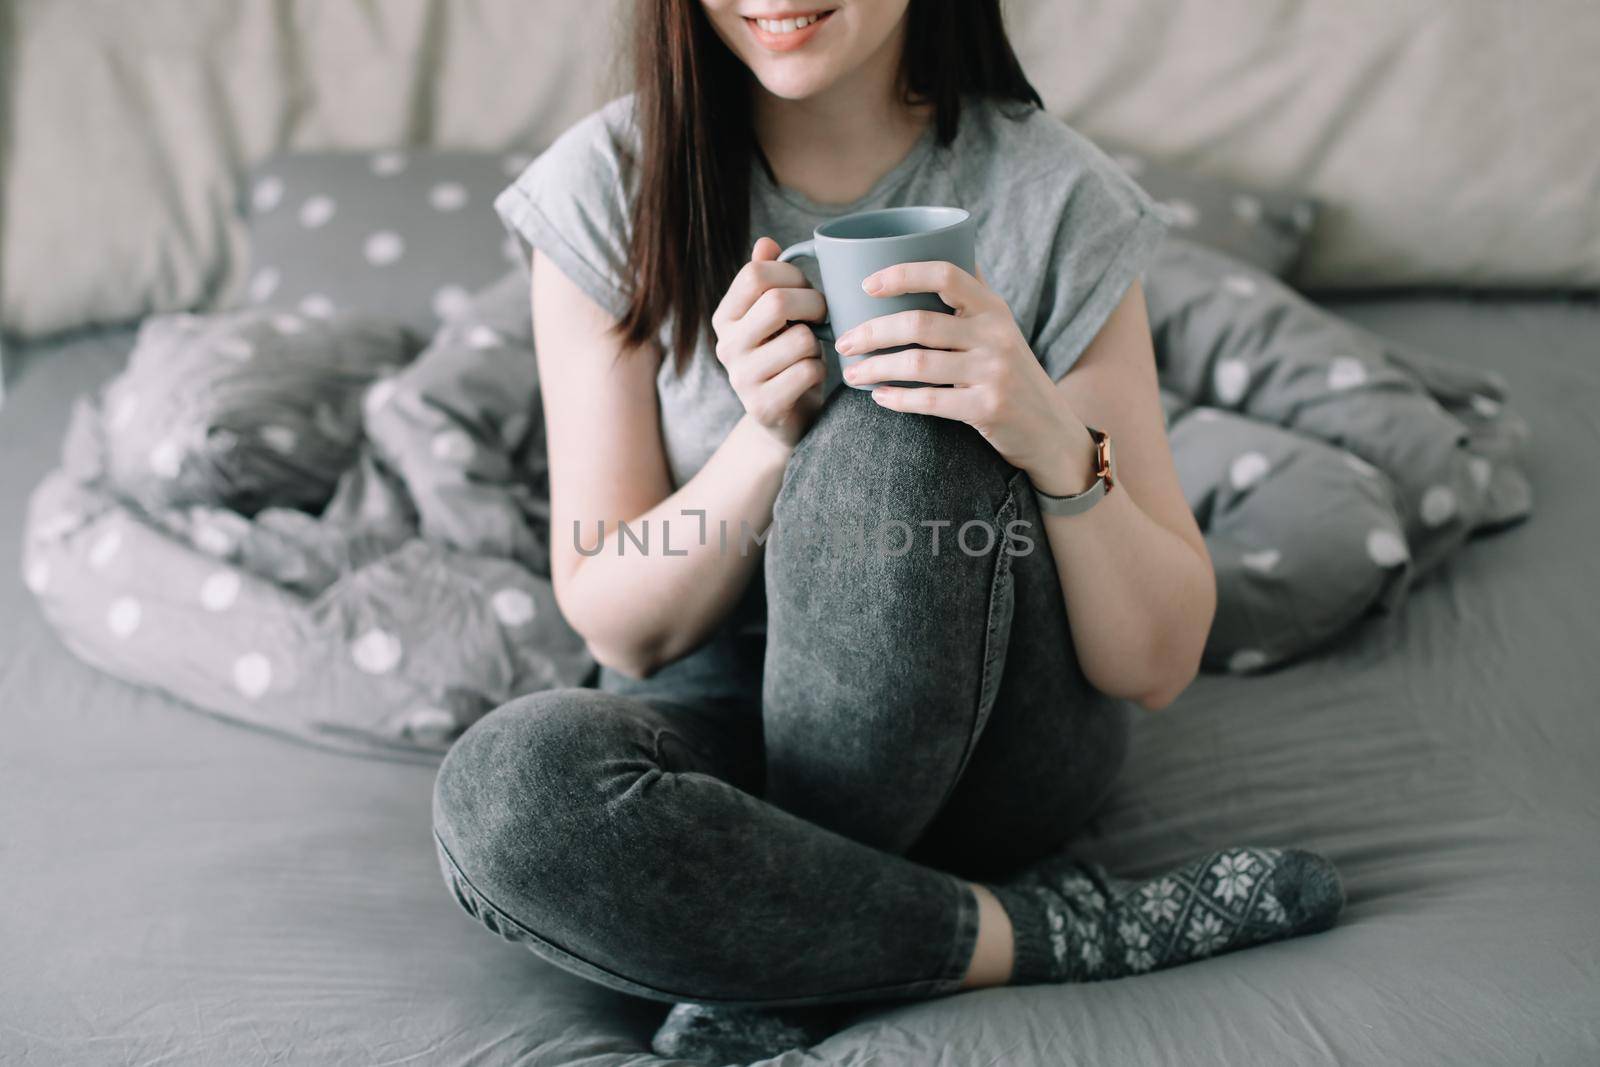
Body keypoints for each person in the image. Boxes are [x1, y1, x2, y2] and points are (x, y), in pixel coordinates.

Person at [434, 1, 1343, 1060]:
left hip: (988, 730)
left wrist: (1049, 436)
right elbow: (617, 626)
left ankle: (769, 925)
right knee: (508, 795)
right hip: (721, 721)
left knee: (895, 434)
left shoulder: (1052, 198)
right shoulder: (609, 184)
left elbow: (1153, 662)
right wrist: (764, 439)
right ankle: (1055, 931)